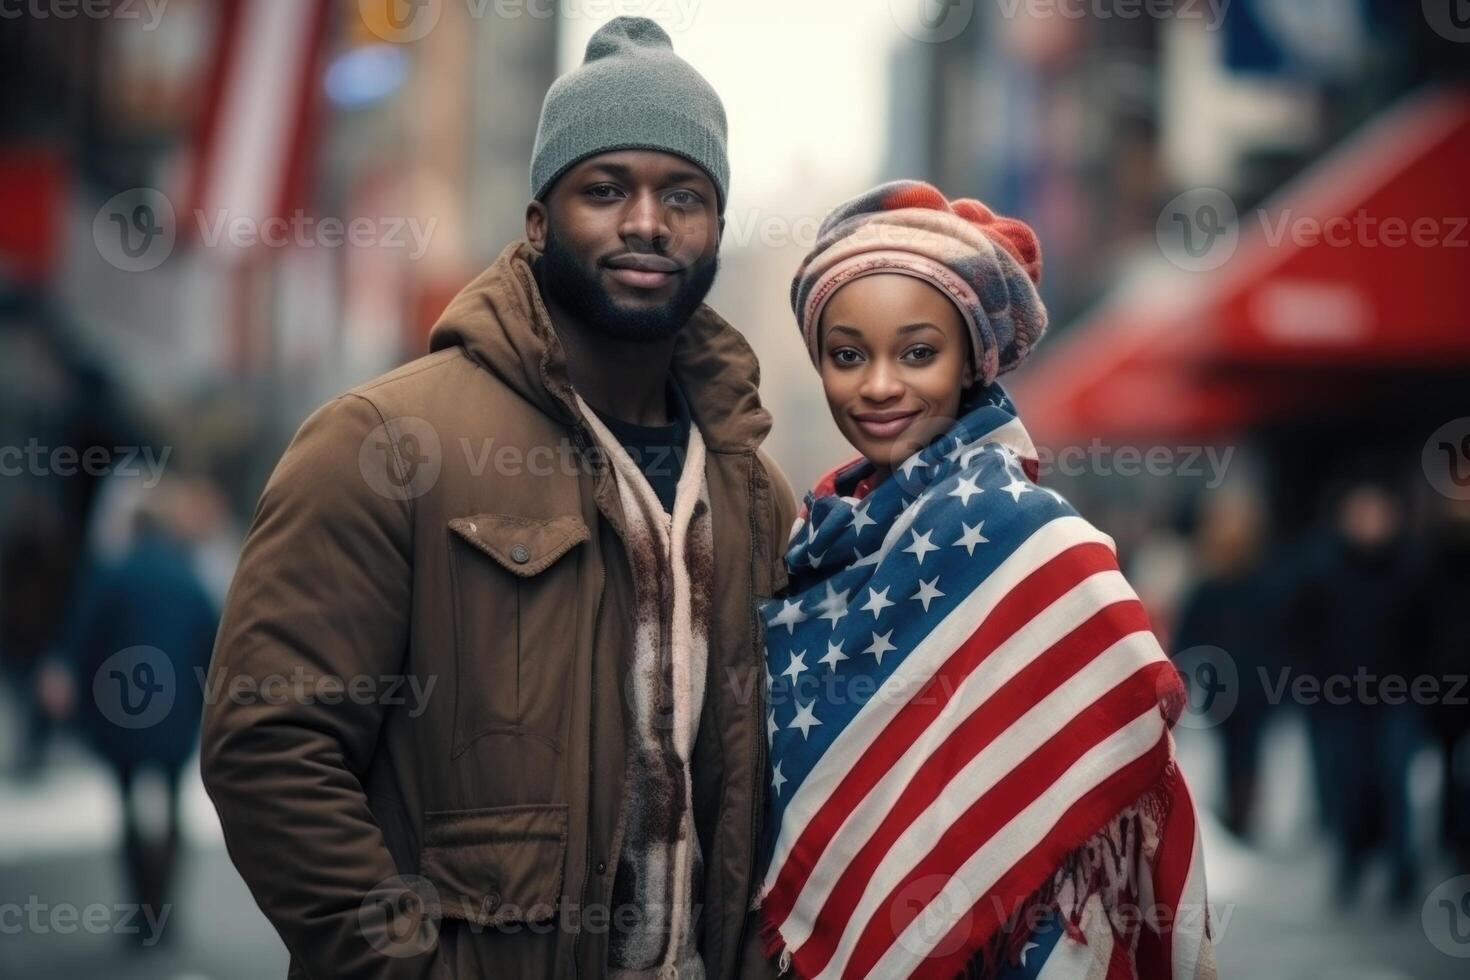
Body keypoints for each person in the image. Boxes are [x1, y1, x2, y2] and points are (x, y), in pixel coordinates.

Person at [201, 17, 796, 980]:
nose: (647, 222)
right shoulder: (385, 445)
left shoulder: (754, 491)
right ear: (537, 221)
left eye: (682, 194)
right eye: (606, 189)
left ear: (718, 227)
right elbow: (270, 749)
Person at [751, 182, 1216, 979]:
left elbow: (1109, 788)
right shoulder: (808, 546)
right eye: (848, 354)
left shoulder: (1043, 543)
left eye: (919, 351)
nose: (880, 385)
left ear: (973, 359)